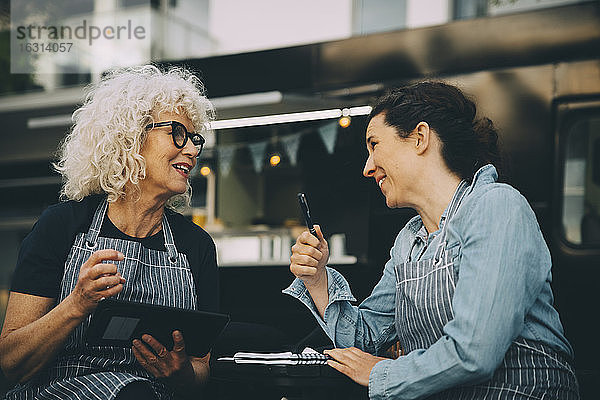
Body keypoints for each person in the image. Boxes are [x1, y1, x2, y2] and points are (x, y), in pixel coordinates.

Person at [284, 82, 580, 399]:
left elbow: (475, 350)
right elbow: (365, 342)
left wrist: (380, 372)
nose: (367, 168)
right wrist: (317, 280)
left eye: (374, 145)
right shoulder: (408, 243)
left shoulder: (496, 207)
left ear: (420, 138)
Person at [0, 65, 218, 400]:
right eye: (177, 133)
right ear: (129, 137)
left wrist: (182, 374)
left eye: (194, 138)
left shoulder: (196, 246)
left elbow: (201, 368)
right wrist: (76, 304)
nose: (191, 149)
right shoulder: (61, 226)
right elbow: (12, 363)